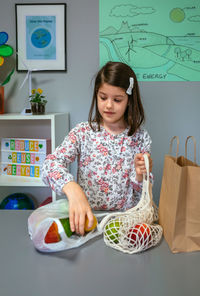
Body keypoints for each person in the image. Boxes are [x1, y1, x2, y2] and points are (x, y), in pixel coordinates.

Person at [42, 61, 153, 236]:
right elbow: (49, 165)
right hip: (87, 222)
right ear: (96, 95)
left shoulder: (140, 137)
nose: (109, 105)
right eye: (103, 97)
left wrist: (140, 176)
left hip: (125, 223)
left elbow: (144, 195)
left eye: (117, 100)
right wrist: (72, 188)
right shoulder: (82, 132)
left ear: (129, 100)